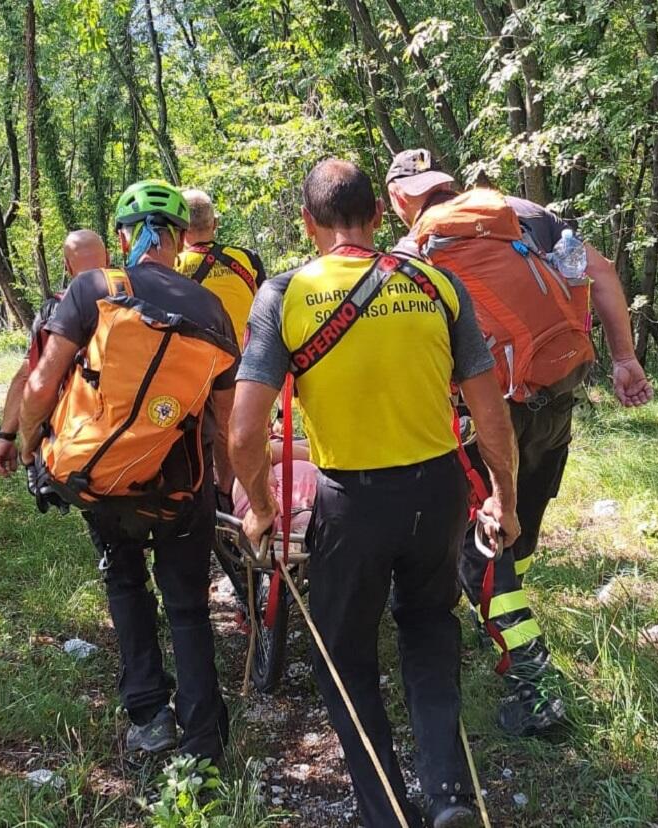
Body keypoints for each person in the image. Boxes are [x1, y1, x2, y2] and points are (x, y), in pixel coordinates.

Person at [230, 159, 519, 828]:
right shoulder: (436, 285)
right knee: (428, 630)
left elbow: (245, 433)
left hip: (349, 503)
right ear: (381, 217)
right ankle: (450, 795)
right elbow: (492, 417)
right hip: (438, 491)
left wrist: (263, 512)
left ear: (309, 224)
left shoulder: (284, 295)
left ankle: (385, 811)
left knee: (346, 655)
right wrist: (506, 499)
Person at [385, 149, 654, 737]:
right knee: (519, 529)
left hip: (490, 415)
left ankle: (532, 682)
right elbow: (602, 276)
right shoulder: (523, 215)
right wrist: (625, 359)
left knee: (478, 540)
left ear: (398, 201)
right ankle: (510, 611)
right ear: (448, 184)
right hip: (558, 392)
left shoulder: (410, 258)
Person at [18, 180, 238, 761]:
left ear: (123, 236)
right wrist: (230, 490)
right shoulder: (212, 310)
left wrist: (28, 438)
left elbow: (44, 379)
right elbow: (226, 417)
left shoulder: (95, 288)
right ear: (181, 239)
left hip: (101, 479)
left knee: (124, 581)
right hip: (180, 486)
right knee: (188, 606)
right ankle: (203, 740)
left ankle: (148, 716)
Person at [0, 230, 108, 477]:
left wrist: (12, 440)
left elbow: (32, 379)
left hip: (77, 432)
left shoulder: (55, 310)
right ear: (107, 258)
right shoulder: (134, 299)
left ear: (67, 267)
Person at [175, 188, 266, 343]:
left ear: (180, 229)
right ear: (215, 223)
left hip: (204, 362)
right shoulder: (248, 259)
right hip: (247, 360)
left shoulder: (174, 267)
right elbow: (268, 309)